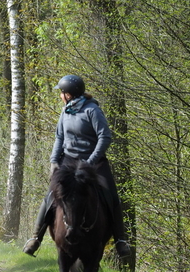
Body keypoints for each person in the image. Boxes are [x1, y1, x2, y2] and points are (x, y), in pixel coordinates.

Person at [23, 74, 131, 258]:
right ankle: (35, 238)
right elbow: (59, 137)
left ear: (69, 94)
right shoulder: (65, 111)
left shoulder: (92, 111)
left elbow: (105, 137)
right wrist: (54, 161)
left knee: (111, 195)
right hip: (69, 161)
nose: (60, 96)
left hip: (94, 163)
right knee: (50, 195)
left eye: (62, 92)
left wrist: (90, 162)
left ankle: (121, 240)